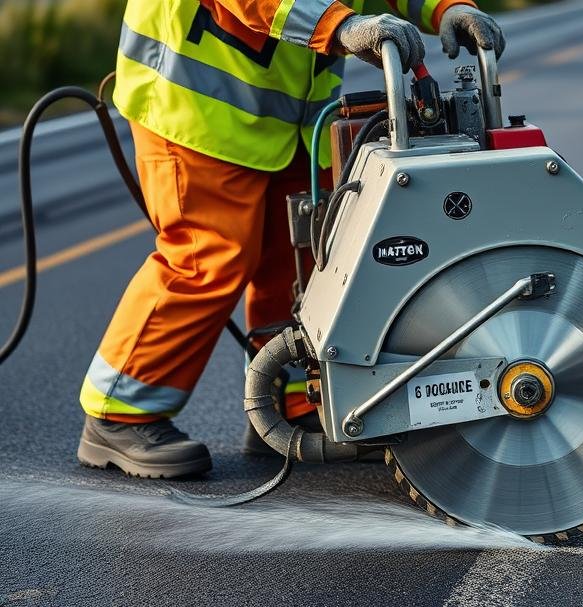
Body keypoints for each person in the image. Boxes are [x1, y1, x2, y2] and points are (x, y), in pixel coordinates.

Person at [76, 0, 505, 479]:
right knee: (207, 257)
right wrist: (340, 25)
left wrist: (445, 8)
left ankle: (285, 405)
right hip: (196, 104)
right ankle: (120, 413)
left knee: (303, 260)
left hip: (289, 115)